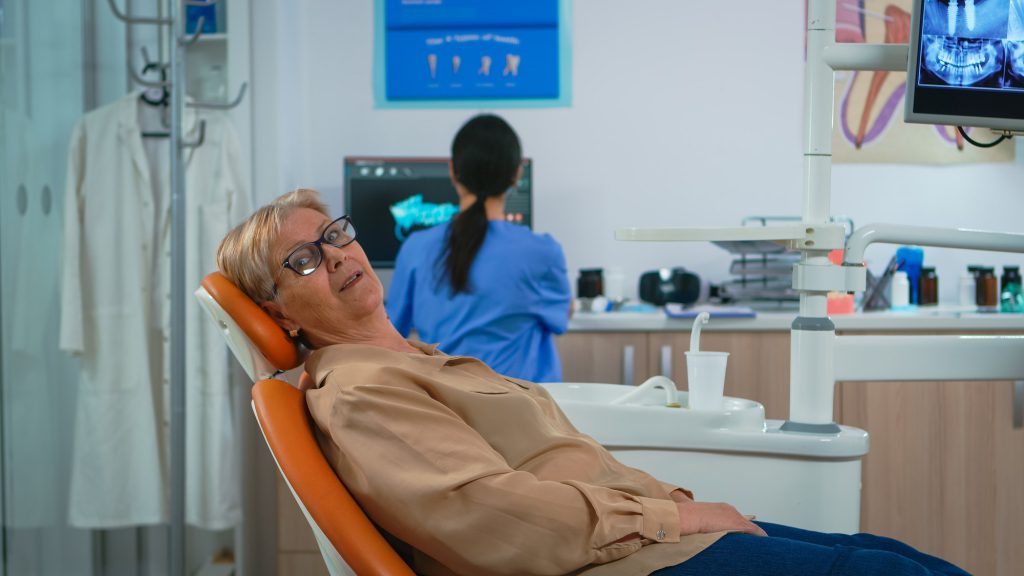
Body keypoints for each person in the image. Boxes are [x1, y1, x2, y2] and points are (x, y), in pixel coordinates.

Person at [217, 188, 969, 576]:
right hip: (617, 561)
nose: (336, 254)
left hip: (631, 537)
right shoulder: (357, 391)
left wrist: (675, 504)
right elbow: (487, 515)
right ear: (278, 312)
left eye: (334, 235)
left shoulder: (408, 359)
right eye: (304, 261)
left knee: (891, 557)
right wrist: (680, 519)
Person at [386, 114, 571, 383]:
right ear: (517, 174)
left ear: (453, 171)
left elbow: (392, 333)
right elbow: (560, 319)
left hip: (448, 410)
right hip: (525, 413)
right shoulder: (543, 252)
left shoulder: (416, 248)